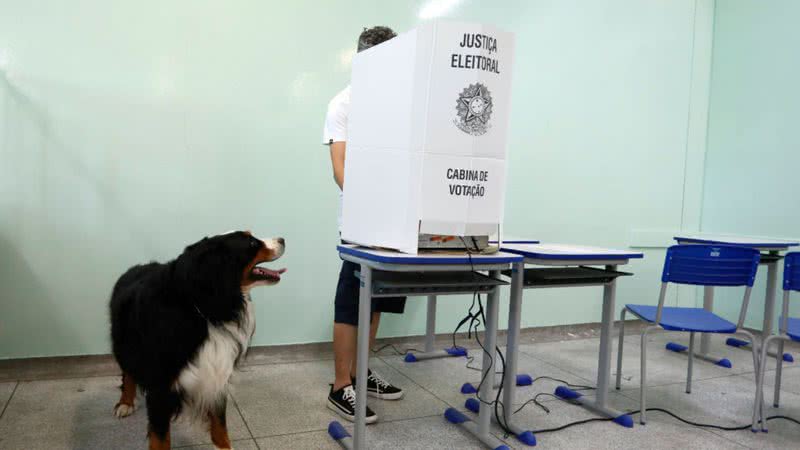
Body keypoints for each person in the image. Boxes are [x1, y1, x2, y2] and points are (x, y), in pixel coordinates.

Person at [322, 26, 404, 424]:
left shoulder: (400, 104)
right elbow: (341, 171)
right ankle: (340, 386)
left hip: (398, 220)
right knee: (352, 299)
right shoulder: (344, 104)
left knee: (380, 299)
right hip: (361, 223)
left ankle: (360, 372)